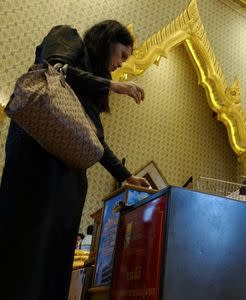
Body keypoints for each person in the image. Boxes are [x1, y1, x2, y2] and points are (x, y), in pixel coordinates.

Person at [0, 20, 150, 299]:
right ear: (107, 41)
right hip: (38, 163)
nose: (121, 65)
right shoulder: (67, 36)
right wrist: (113, 86)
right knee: (24, 247)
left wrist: (126, 175)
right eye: (122, 55)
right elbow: (55, 70)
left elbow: (96, 142)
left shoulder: (95, 90)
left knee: (54, 255)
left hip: (68, 176)